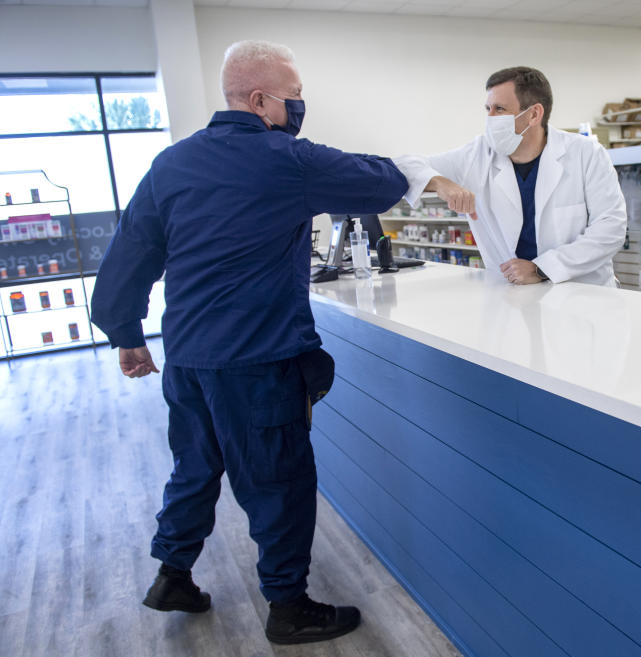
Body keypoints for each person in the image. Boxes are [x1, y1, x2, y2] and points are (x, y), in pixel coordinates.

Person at [90, 40, 408, 646]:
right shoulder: (285, 158)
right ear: (261, 100)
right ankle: (289, 607)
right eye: (295, 95)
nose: (300, 105)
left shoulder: (171, 163)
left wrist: (126, 332)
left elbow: (130, 254)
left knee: (194, 467)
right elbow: (381, 184)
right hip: (257, 362)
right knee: (278, 482)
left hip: (186, 359)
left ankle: (172, 574)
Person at [395, 66, 626, 286]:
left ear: (534, 114)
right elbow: (402, 165)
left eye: (500, 109)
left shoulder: (586, 154)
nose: (490, 118)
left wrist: (542, 268)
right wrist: (439, 183)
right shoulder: (478, 155)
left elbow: (610, 228)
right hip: (511, 295)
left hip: (582, 294)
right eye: (488, 109)